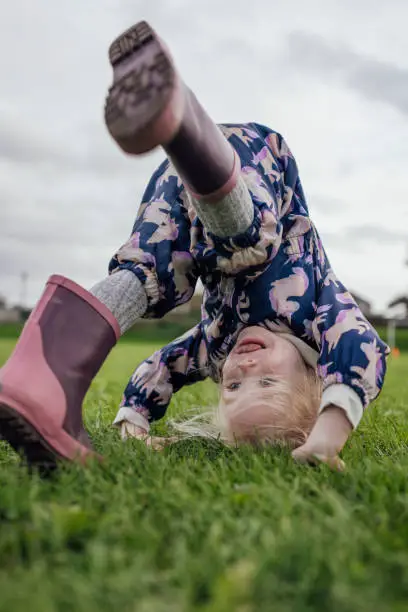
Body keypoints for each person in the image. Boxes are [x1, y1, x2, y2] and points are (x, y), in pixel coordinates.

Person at [0, 21, 389, 471]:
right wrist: (327, 436)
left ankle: (41, 374)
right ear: (312, 373)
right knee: (247, 243)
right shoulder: (317, 321)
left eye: (233, 390)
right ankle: (183, 120)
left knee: (155, 272)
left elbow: (162, 369)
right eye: (267, 382)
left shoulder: (216, 346)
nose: (243, 373)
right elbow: (362, 347)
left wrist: (134, 424)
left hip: (185, 184)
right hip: (258, 170)